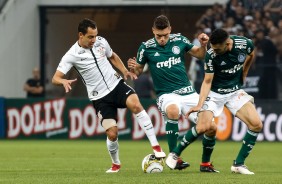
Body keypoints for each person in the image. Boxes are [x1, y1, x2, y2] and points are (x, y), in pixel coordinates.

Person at [52, 18, 165, 173]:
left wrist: (124, 70)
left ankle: (156, 146)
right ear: (81, 35)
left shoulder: (101, 42)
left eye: (96, 35)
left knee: (136, 104)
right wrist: (63, 81)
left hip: (116, 84)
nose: (94, 39)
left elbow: (112, 56)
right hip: (99, 97)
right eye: (90, 37)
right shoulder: (71, 55)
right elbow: (55, 78)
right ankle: (116, 164)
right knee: (112, 134)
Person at [128, 15, 218, 172]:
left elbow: (200, 54)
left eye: (165, 35)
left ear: (170, 29)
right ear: (153, 31)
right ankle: (174, 157)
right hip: (166, 94)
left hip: (188, 92)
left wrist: (204, 46)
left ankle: (205, 164)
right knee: (172, 110)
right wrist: (133, 67)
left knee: (211, 127)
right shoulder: (146, 47)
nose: (162, 39)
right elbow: (138, 71)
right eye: (158, 36)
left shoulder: (180, 40)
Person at [181, 28, 263, 174]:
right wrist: (200, 104)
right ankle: (191, 158)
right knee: (204, 127)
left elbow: (251, 54)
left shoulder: (245, 44)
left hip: (234, 91)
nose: (215, 52)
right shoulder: (211, 54)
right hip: (215, 92)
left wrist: (244, 72)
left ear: (228, 43)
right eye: (213, 49)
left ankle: (238, 164)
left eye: (218, 49)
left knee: (256, 124)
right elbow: (207, 81)